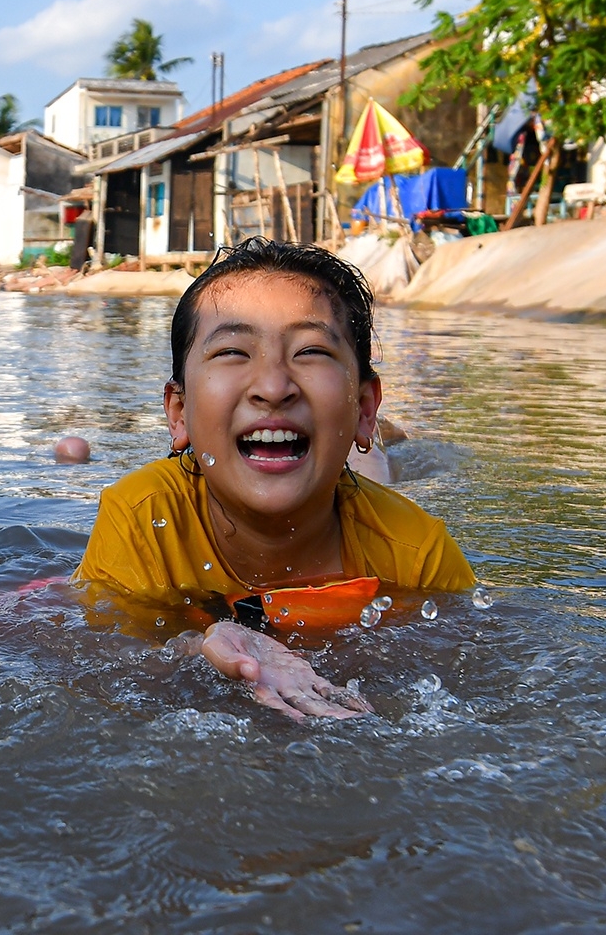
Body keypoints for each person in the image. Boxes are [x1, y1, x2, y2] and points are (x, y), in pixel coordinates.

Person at [73, 237, 476, 720]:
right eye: (232, 352)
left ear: (364, 407)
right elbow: (105, 665)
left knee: (374, 471)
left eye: (310, 351)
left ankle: (382, 443)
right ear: (179, 414)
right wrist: (196, 649)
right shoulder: (145, 517)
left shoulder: (416, 555)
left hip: (359, 475)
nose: (272, 386)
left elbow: (464, 675)